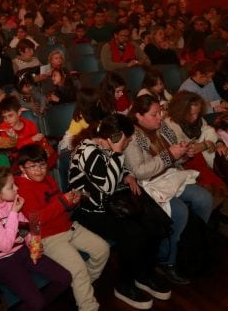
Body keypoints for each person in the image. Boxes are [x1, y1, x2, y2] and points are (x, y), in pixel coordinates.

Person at [69, 114, 172, 309]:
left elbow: (114, 171)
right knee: (132, 233)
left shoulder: (106, 146)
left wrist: (127, 175)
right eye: (128, 138)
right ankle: (124, 284)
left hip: (111, 205)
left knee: (153, 220)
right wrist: (117, 154)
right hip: (90, 211)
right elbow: (107, 185)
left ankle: (144, 273)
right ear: (115, 137)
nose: (130, 141)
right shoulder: (87, 150)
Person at [124, 95, 213, 285]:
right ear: (139, 116)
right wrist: (169, 155)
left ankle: (190, 242)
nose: (160, 117)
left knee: (204, 199)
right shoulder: (132, 136)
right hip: (149, 185)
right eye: (154, 114)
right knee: (179, 211)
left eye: (160, 112)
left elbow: (174, 158)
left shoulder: (162, 127)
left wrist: (183, 153)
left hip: (169, 176)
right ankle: (166, 260)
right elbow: (140, 172)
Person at [16, 144, 110, 311]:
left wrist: (72, 200)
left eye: (42, 164)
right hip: (48, 237)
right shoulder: (21, 188)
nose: (39, 170)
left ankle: (83, 283)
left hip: (69, 227)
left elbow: (60, 203)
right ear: (22, 168)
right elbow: (35, 220)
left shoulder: (49, 179)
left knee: (102, 249)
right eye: (32, 166)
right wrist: (63, 202)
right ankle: (88, 306)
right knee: (78, 269)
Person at [0, 166, 72, 311]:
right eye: (11, 186)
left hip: (19, 250)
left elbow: (27, 226)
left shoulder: (10, 202)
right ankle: (38, 305)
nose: (17, 188)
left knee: (64, 278)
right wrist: (13, 213)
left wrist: (34, 244)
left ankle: (39, 304)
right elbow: (5, 245)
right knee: (37, 303)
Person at [159, 91, 228, 246]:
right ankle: (195, 231)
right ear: (180, 111)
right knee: (216, 192)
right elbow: (183, 152)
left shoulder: (198, 120)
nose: (194, 118)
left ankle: (225, 226)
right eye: (190, 114)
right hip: (183, 169)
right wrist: (205, 144)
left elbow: (211, 135)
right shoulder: (170, 125)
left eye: (197, 114)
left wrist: (218, 144)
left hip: (202, 162)